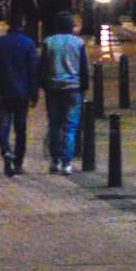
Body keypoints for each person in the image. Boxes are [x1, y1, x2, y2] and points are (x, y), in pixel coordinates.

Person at [0, 13, 41, 179]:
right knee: (20, 128)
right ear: (23, 24)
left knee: (4, 126)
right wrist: (34, 94)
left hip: (3, 92)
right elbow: (33, 72)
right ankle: (18, 162)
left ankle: (6, 152)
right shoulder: (28, 44)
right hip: (22, 93)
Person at [41, 10, 87, 174]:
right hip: (73, 88)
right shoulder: (79, 43)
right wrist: (83, 87)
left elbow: (43, 67)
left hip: (53, 88)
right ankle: (67, 162)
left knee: (55, 125)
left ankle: (55, 161)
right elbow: (84, 68)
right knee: (71, 126)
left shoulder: (48, 42)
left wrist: (44, 85)